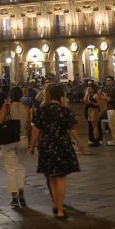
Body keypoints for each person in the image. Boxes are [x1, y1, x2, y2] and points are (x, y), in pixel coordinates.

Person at [29, 83, 85, 218]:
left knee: (52, 177)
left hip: (47, 145)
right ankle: (60, 209)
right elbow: (72, 129)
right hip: (62, 144)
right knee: (61, 178)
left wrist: (32, 146)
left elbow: (36, 130)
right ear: (61, 96)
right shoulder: (64, 110)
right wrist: (80, 145)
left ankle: (55, 204)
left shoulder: (42, 110)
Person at [0, 86, 33, 206]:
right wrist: (31, 143)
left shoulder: (6, 107)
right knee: (21, 166)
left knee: (10, 168)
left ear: (10, 95)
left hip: (9, 140)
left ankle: (14, 197)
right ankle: (21, 189)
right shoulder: (27, 108)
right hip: (23, 139)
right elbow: (29, 126)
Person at [82, 82, 104, 148]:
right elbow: (84, 100)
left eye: (91, 88)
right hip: (89, 110)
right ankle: (93, 139)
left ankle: (97, 140)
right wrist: (87, 93)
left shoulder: (97, 93)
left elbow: (99, 104)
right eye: (89, 88)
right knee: (91, 125)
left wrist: (90, 102)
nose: (90, 89)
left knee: (95, 126)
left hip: (95, 110)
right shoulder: (88, 93)